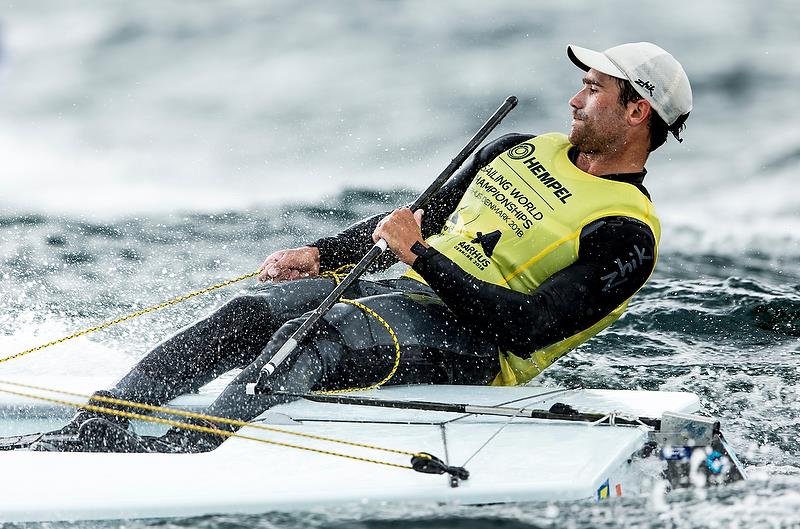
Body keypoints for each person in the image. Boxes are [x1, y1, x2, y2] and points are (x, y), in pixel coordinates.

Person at [6, 42, 692, 453]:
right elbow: (417, 218)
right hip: (400, 295)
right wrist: (322, 253)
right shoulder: (519, 147)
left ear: (637, 113)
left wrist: (422, 256)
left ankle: (188, 455)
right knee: (251, 311)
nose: (576, 99)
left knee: (317, 336)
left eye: (595, 90)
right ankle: (97, 428)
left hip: (476, 351)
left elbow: (528, 326)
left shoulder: (626, 231)